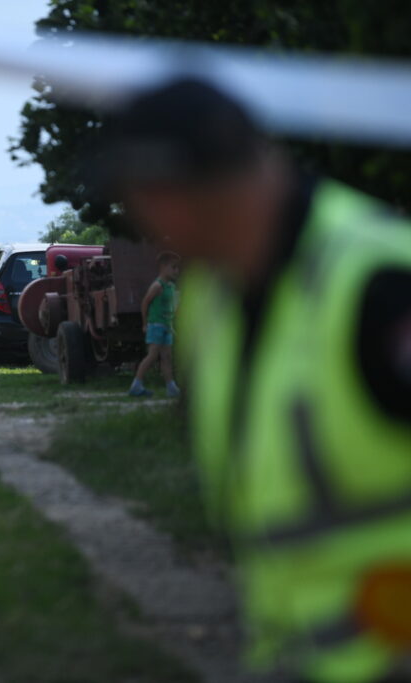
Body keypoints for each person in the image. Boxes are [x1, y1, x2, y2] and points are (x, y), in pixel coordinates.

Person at [104, 78, 411, 683]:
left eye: (142, 194)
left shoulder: (380, 281)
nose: (143, 215)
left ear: (179, 190)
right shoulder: (217, 298)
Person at [129, 251, 182, 398]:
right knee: (152, 356)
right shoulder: (157, 286)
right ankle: (136, 385)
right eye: (173, 267)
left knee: (167, 357)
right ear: (163, 267)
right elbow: (145, 303)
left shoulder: (170, 287)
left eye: (178, 268)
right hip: (156, 325)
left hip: (166, 326)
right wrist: (145, 323)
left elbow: (172, 307)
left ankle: (171, 387)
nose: (176, 271)